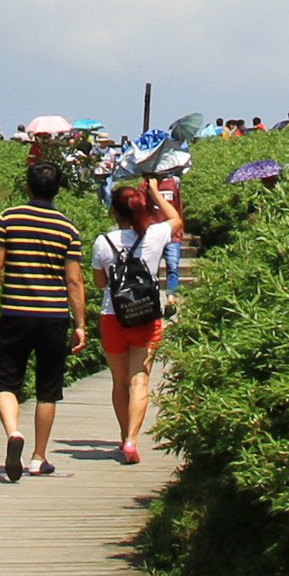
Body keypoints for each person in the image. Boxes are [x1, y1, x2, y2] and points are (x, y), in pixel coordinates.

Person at [0, 142, 87, 480]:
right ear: (58, 190)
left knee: (7, 380)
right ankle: (39, 457)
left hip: (15, 312)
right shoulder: (68, 229)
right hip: (53, 315)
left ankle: (13, 432)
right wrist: (80, 323)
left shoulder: (8, 219)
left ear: (27, 186)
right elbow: (74, 281)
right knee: (47, 387)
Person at [87, 182, 182, 465]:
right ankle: (132, 439)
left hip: (112, 316)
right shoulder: (154, 234)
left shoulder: (103, 241)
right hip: (145, 315)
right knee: (139, 379)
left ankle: (122, 433)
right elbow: (176, 219)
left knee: (119, 382)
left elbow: (99, 282)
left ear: (113, 211)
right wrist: (153, 192)